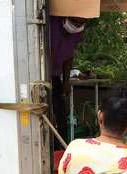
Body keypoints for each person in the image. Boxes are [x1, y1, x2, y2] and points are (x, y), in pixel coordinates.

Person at [50, 16, 87, 144]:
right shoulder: (53, 25)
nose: (78, 25)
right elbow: (50, 54)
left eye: (81, 22)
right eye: (75, 22)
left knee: (61, 118)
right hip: (46, 75)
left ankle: (61, 148)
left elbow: (69, 56)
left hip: (56, 76)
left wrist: (66, 82)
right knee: (52, 115)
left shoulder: (77, 32)